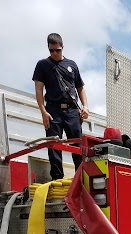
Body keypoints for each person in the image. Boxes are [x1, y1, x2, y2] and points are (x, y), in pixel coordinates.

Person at [32, 33, 89, 180]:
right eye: (51, 50)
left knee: (77, 145)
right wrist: (43, 111)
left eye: (57, 50)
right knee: (54, 145)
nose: (55, 53)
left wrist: (85, 106)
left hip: (72, 110)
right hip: (53, 110)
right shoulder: (43, 65)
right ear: (48, 49)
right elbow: (39, 90)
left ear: (62, 47)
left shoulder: (72, 65)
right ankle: (57, 178)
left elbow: (80, 88)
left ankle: (80, 178)